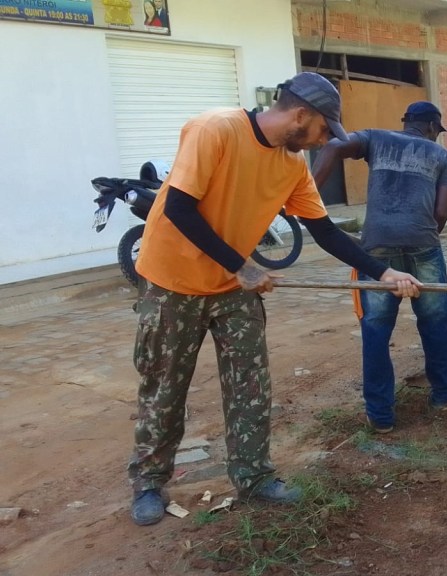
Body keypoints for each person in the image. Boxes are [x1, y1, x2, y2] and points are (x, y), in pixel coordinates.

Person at [127, 72, 421, 527]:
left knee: (250, 383)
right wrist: (240, 265)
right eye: (324, 130)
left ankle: (254, 477)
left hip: (231, 289)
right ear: (301, 114)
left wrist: (381, 271)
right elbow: (178, 208)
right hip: (172, 283)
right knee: (164, 386)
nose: (325, 141)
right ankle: (148, 481)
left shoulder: (292, 165)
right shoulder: (215, 129)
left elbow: (323, 229)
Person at [310, 101, 447, 434]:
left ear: (406, 122)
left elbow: (335, 145)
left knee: (376, 332)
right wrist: (424, 236)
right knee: (435, 324)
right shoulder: (441, 157)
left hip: (376, 252)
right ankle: (445, 395)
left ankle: (381, 416)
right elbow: (441, 212)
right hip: (423, 245)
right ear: (434, 127)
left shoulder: (375, 138)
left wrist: (303, 193)